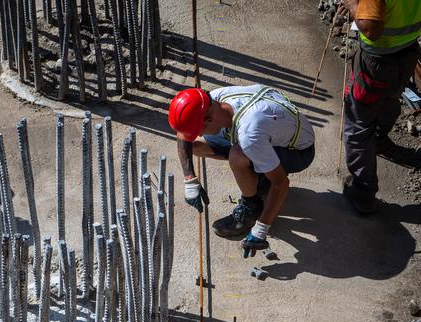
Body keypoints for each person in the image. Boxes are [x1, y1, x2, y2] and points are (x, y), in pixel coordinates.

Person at [168, 85, 315, 257]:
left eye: (198, 130)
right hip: (271, 132)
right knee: (194, 146)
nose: (196, 134)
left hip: (297, 152)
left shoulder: (249, 134)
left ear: (209, 120)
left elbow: (281, 183)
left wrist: (261, 228)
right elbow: (183, 136)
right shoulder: (213, 99)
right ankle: (259, 173)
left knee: (237, 155)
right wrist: (190, 179)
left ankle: (251, 207)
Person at [338, 0, 421, 214]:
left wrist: (352, 6)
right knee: (389, 100)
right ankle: (379, 140)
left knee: (358, 125)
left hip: (377, 61)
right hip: (407, 52)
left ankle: (363, 193)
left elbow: (371, 30)